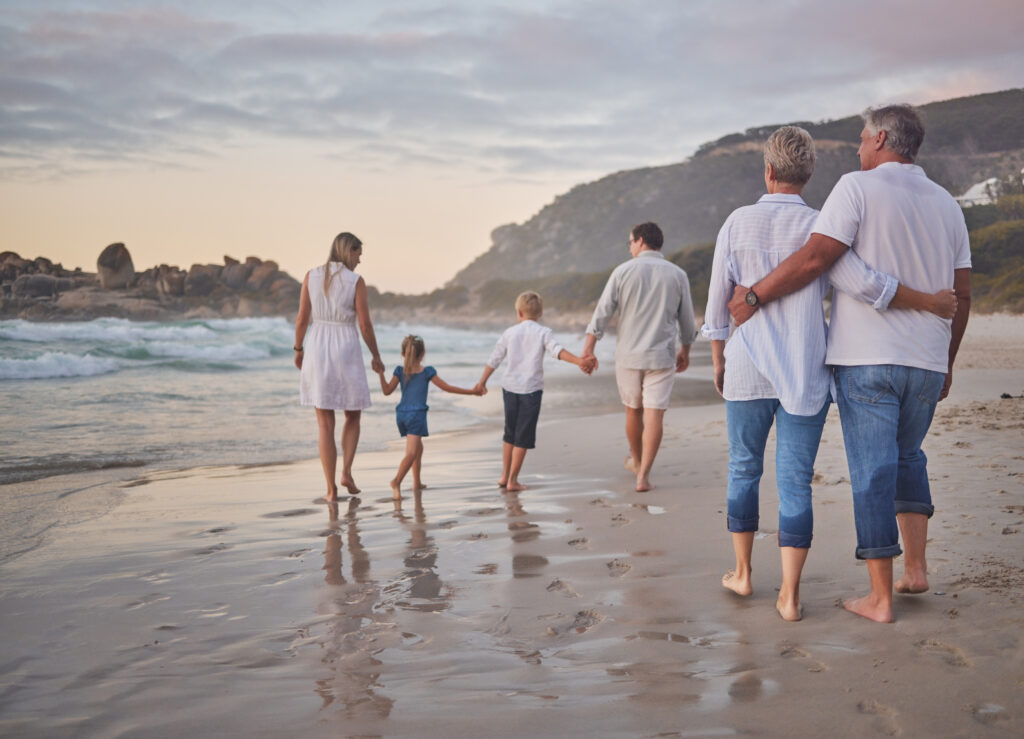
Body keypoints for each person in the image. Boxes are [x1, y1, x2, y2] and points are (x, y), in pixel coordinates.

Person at [727, 104, 972, 623]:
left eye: (863, 138)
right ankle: (917, 570)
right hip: (927, 359)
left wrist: (753, 297)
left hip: (869, 360)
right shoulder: (948, 203)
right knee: (910, 457)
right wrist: (946, 359)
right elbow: (963, 295)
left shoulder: (856, 189)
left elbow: (821, 260)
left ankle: (881, 598)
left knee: (871, 473)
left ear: (881, 138)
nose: (859, 148)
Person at [582, 222, 696, 492]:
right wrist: (686, 350)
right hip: (662, 356)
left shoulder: (622, 271)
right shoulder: (678, 274)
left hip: (629, 356)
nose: (630, 247)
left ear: (641, 240)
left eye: (630, 242)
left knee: (633, 411)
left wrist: (588, 349)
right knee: (655, 416)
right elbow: (687, 321)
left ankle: (636, 459)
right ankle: (643, 475)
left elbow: (602, 313)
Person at [295, 232, 385, 502]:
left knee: (324, 423)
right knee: (352, 414)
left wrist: (298, 349)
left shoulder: (311, 276)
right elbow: (365, 325)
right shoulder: (355, 281)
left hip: (317, 345)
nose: (360, 258)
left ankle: (331, 489)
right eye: (358, 252)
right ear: (349, 251)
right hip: (345, 345)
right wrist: (376, 356)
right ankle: (346, 472)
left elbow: (302, 319)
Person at [475, 291, 590, 491]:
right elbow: (557, 352)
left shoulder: (510, 333)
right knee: (523, 436)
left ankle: (504, 476)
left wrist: (482, 382)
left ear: (519, 313)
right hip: (531, 391)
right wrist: (580, 361)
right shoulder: (544, 332)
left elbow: (494, 358)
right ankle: (513, 481)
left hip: (510, 389)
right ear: (541, 312)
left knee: (510, 432)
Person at [377, 334, 481, 498]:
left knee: (418, 447)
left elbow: (386, 391)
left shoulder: (400, 371)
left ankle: (417, 482)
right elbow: (447, 388)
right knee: (411, 453)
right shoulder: (427, 372)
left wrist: (380, 374)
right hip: (416, 415)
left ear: (403, 354)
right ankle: (396, 481)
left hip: (401, 415)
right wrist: (473, 392)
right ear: (423, 353)